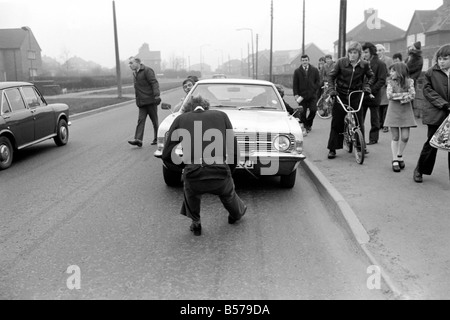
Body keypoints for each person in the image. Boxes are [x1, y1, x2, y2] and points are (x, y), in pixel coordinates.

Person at [161, 95, 247, 236]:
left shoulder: (180, 119)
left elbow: (166, 154)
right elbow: (233, 150)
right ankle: (235, 215)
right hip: (219, 169)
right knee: (228, 193)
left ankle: (196, 222)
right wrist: (229, 170)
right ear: (206, 107)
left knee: (190, 191)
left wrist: (184, 167)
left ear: (188, 108)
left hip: (193, 171)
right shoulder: (221, 116)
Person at [326, 42, 374, 159]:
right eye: (350, 53)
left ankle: (360, 145)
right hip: (340, 94)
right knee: (337, 121)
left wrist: (367, 87)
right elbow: (331, 76)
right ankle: (333, 148)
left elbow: (371, 76)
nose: (352, 55)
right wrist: (332, 90)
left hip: (355, 95)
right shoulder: (341, 62)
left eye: (355, 53)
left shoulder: (364, 65)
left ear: (359, 54)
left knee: (359, 121)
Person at [413, 44, 450, 183]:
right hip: (436, 112)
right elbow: (428, 91)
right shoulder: (431, 72)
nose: (441, 61)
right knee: (432, 143)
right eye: (439, 58)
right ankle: (420, 170)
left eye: (445, 58)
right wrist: (444, 104)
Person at [384, 62, 417, 172]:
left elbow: (412, 95)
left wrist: (399, 97)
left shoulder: (410, 81)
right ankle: (395, 159)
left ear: (400, 72)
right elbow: (389, 96)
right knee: (395, 137)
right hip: (393, 111)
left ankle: (399, 155)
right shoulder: (390, 82)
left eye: (393, 71)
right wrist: (404, 96)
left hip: (406, 111)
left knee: (405, 136)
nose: (391, 73)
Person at [128, 56, 161, 147]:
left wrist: (157, 95)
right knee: (141, 120)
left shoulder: (147, 70)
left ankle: (158, 138)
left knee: (154, 121)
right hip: (141, 102)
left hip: (150, 101)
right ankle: (138, 140)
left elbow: (154, 82)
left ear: (138, 62)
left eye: (131, 63)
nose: (129, 65)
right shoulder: (135, 73)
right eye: (129, 63)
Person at [361, 42, 387, 146]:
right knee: (360, 118)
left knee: (374, 119)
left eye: (366, 52)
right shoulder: (363, 63)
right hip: (362, 95)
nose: (364, 54)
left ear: (371, 52)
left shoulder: (380, 64)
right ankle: (360, 138)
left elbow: (381, 80)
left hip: (373, 94)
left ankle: (373, 138)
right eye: (363, 52)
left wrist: (371, 90)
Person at [292, 54, 321, 134]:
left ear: (308, 61)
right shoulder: (297, 71)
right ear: (301, 61)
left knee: (313, 110)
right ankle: (305, 126)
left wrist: (314, 88)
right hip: (302, 95)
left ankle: (309, 124)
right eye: (303, 60)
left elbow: (318, 82)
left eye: (306, 60)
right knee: (303, 112)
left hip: (312, 95)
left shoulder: (314, 70)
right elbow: (295, 84)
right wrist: (296, 94)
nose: (305, 62)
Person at [376, 44, 394, 134]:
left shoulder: (389, 60)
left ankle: (386, 125)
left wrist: (388, 82)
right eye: (377, 50)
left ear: (383, 51)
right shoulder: (374, 61)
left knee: (386, 107)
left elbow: (392, 72)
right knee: (378, 106)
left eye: (380, 50)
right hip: (377, 86)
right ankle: (379, 124)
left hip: (386, 85)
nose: (378, 52)